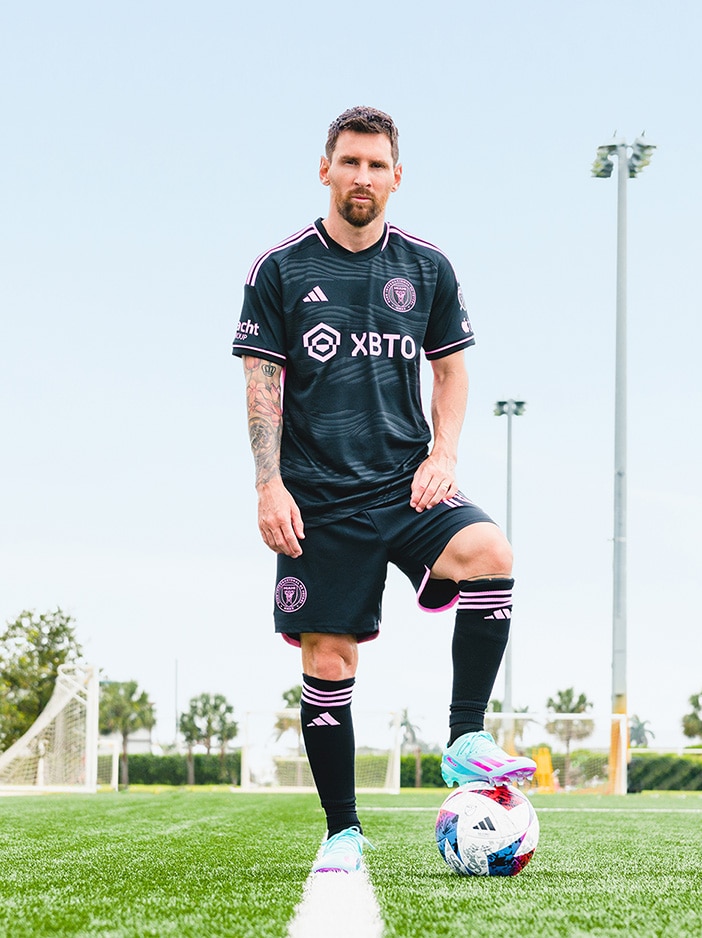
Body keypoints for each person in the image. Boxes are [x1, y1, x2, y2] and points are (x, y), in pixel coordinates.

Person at [232, 106, 535, 874]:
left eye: (376, 165)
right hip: (318, 500)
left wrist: (445, 454)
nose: (361, 177)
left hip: (406, 484)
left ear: (397, 177)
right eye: (350, 162)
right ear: (325, 170)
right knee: (329, 660)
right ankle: (343, 832)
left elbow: (452, 370)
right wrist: (269, 485)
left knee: (491, 551)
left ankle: (464, 737)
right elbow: (262, 385)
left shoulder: (427, 267)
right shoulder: (280, 269)